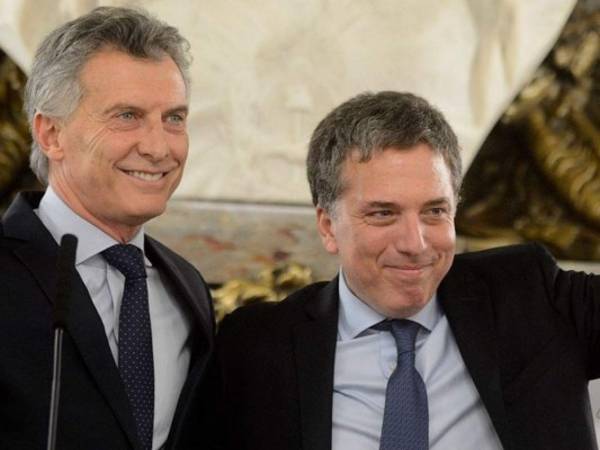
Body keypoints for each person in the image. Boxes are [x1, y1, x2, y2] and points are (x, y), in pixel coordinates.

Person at [214, 91, 600, 449]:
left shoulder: (532, 296)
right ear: (328, 226)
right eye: (383, 214)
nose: (415, 244)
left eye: (435, 211)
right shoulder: (257, 346)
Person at [0, 7, 215, 450]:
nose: (158, 147)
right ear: (51, 134)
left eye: (174, 118)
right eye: (127, 116)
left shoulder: (187, 285)